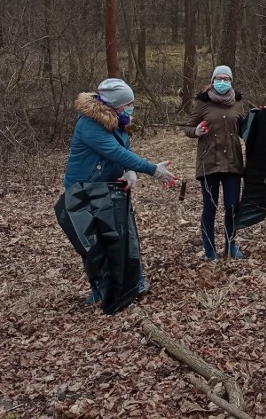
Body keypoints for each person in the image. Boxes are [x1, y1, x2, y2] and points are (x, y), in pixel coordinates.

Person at [63, 78, 177, 304]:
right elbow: (115, 151)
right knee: (95, 244)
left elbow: (124, 150)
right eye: (128, 103)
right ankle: (102, 290)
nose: (131, 107)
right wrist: (151, 169)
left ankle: (134, 283)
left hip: (111, 187)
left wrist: (129, 171)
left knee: (124, 237)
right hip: (85, 191)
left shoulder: (117, 119)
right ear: (114, 104)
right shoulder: (89, 124)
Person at [184, 65, 249, 261]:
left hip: (232, 164)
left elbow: (244, 129)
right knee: (210, 207)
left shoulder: (238, 103)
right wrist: (196, 132)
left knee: (232, 206)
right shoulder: (202, 103)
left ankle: (231, 245)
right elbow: (188, 127)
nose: (222, 82)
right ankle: (210, 249)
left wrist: (261, 120)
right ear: (212, 81)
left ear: (231, 81)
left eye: (226, 79)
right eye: (218, 78)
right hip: (208, 163)